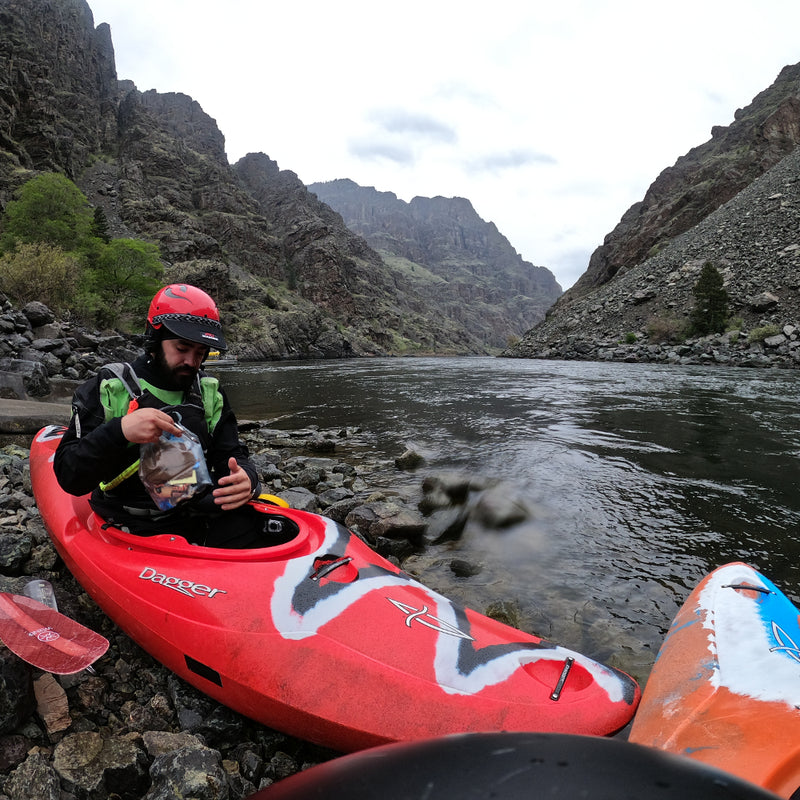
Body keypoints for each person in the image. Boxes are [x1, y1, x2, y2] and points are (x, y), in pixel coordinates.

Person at [54, 283, 270, 548]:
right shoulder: (110, 386)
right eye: (182, 348)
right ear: (155, 339)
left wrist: (246, 477)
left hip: (194, 514)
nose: (192, 361)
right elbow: (69, 475)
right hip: (128, 523)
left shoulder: (210, 391)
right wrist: (120, 430)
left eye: (201, 352)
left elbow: (230, 455)